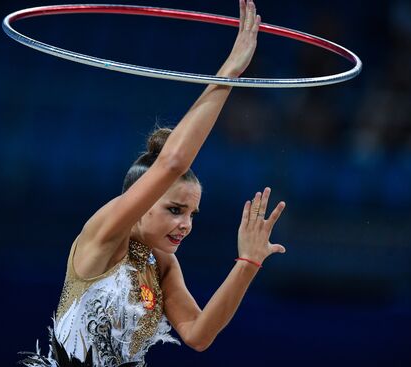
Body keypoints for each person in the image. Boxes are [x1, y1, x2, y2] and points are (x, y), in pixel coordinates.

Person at [19, 1, 286, 366]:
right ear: (139, 202)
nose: (186, 224)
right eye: (175, 209)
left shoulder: (162, 266)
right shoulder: (103, 236)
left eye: (192, 213)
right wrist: (230, 72)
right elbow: (173, 162)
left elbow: (198, 333)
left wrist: (248, 263)